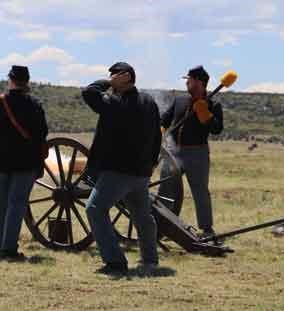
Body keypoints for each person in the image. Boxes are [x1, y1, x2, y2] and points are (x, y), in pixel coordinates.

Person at [82, 62, 162, 275]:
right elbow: (157, 135)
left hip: (116, 171)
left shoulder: (114, 102)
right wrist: (152, 162)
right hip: (140, 172)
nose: (112, 82)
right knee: (143, 216)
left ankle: (115, 261)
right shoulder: (148, 101)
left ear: (124, 78)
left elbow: (89, 93)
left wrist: (108, 83)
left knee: (95, 209)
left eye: (115, 77)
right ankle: (150, 259)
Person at [0, 65, 48, 260]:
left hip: (0, 162)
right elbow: (42, 133)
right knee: (17, 204)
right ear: (27, 82)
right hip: (26, 163)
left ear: (10, 80)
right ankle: (8, 248)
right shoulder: (35, 105)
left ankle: (1, 247)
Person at [159, 66, 223, 239]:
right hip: (173, 152)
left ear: (199, 83)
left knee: (200, 191)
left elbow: (217, 129)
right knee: (166, 189)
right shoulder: (179, 100)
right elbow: (165, 119)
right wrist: (160, 130)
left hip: (197, 153)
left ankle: (207, 229)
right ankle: (162, 226)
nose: (187, 82)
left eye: (190, 79)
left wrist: (206, 114)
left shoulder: (213, 104)